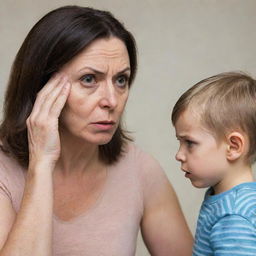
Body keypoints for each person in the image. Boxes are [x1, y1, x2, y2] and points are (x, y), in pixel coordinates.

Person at [0, 5, 192, 256]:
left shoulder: (140, 169)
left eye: (121, 80)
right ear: (42, 86)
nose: (111, 101)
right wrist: (41, 164)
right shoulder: (4, 172)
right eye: (89, 79)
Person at [171, 71, 256, 255]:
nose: (179, 155)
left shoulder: (233, 215)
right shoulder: (225, 198)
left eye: (190, 143)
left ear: (233, 147)